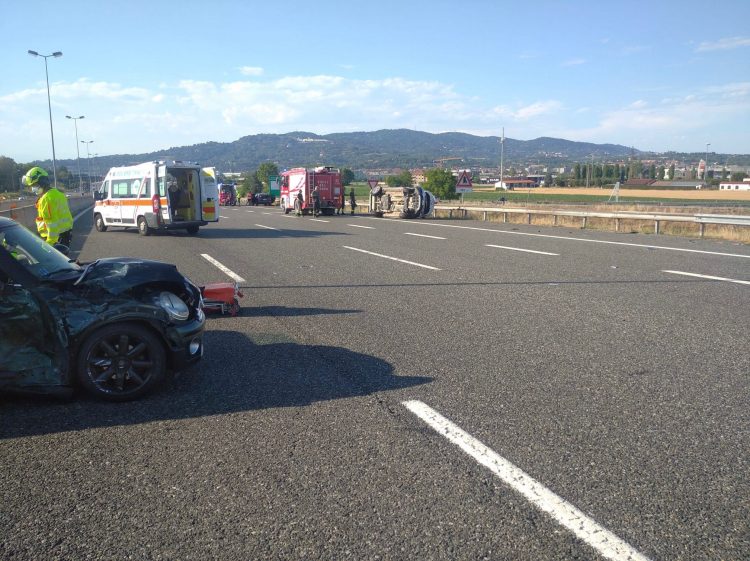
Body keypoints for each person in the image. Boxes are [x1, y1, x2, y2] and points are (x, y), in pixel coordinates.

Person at [22, 167, 73, 246]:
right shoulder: (59, 194)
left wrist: (49, 243)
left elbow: (52, 224)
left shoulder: (46, 199)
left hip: (55, 239)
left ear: (41, 183)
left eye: (34, 185)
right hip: (65, 235)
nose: (32, 189)